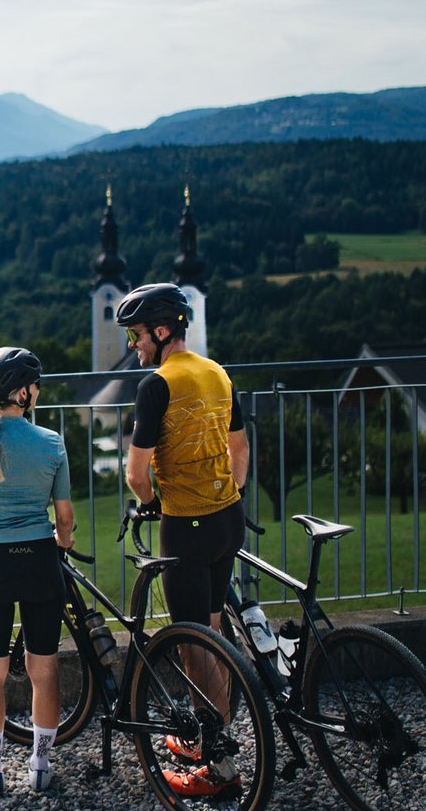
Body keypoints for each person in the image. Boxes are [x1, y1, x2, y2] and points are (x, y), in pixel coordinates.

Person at [117, 282, 250, 798]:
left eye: (136, 334)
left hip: (186, 526)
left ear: (162, 329)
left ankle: (216, 771)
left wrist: (152, 501)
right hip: (227, 519)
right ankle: (211, 740)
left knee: (194, 646)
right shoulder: (217, 371)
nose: (134, 344)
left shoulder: (156, 385)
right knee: (212, 634)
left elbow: (135, 472)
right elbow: (240, 450)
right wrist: (227, 493)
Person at [0, 346, 75, 795]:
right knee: (44, 668)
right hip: (42, 561)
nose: (38, 391)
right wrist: (64, 542)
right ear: (22, 393)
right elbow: (64, 518)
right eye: (35, 385)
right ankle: (40, 765)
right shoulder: (52, 443)